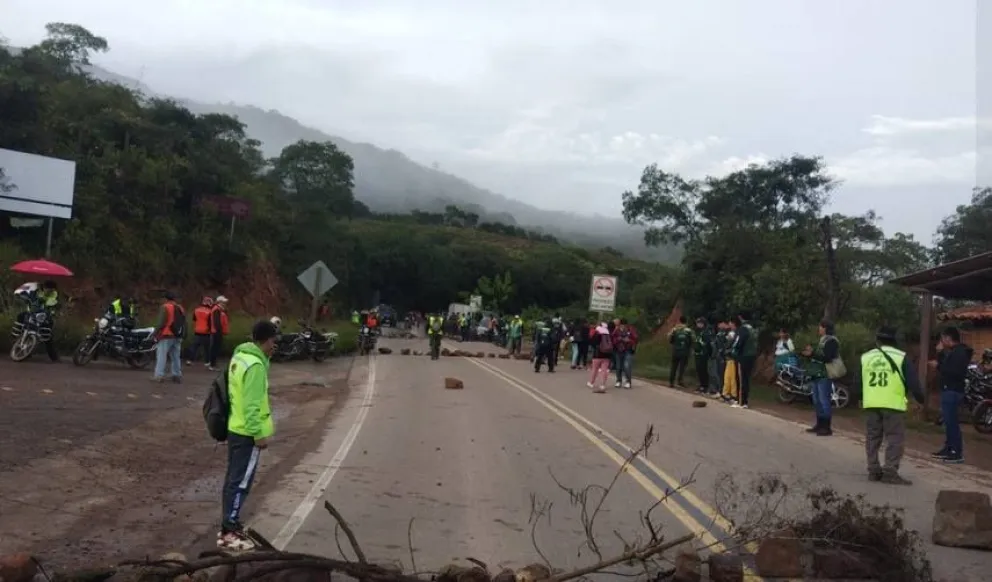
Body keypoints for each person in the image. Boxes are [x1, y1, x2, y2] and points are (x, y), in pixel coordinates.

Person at [218, 319, 278, 551]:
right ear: (266, 340)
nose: (275, 345)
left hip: (235, 427)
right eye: (273, 340)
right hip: (247, 433)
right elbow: (252, 404)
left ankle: (228, 525)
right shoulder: (255, 366)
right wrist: (258, 435)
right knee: (241, 483)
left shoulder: (240, 357)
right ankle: (229, 531)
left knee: (232, 480)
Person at [854, 325, 925, 485]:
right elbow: (913, 382)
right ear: (894, 341)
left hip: (871, 403)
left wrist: (859, 397)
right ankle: (890, 471)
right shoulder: (901, 357)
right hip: (892, 404)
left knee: (873, 437)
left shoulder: (866, 357)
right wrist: (920, 399)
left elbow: (858, 381)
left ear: (877, 340)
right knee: (894, 438)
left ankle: (873, 470)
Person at [933, 327, 972, 463]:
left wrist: (938, 366)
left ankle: (956, 451)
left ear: (948, 338)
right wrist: (940, 354)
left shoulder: (960, 353)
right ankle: (949, 447)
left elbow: (953, 372)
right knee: (948, 422)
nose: (941, 342)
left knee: (952, 422)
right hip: (948, 389)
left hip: (953, 390)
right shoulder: (953, 352)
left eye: (943, 339)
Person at [801, 319, 840, 433]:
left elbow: (828, 358)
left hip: (824, 374)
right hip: (816, 373)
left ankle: (826, 426)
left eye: (821, 327)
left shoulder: (832, 341)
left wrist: (813, 354)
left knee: (824, 400)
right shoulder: (822, 341)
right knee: (816, 400)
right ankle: (819, 424)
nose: (819, 329)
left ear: (826, 328)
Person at [152, 291, 186, 383]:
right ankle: (177, 375)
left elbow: (161, 322)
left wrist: (155, 333)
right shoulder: (180, 308)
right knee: (176, 356)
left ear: (165, 299)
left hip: (166, 335)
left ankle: (159, 376)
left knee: (161, 356)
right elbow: (183, 322)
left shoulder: (165, 307)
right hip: (178, 335)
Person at [732, 314, 759, 410]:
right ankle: (744, 401)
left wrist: (733, 352)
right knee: (746, 379)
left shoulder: (743, 329)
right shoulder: (753, 329)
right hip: (751, 356)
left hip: (743, 356)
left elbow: (738, 343)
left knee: (740, 378)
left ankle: (741, 401)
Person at [186, 296, 214, 366]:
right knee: (207, 349)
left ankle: (190, 360)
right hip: (206, 332)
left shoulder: (196, 310)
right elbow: (211, 323)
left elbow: (194, 320)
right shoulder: (210, 312)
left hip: (197, 331)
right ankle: (207, 362)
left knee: (194, 347)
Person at [587, 322, 613, 393]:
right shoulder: (608, 335)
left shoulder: (597, 334)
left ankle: (591, 383)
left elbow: (592, 342)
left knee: (595, 369)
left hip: (597, 355)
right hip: (607, 355)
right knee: (604, 370)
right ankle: (602, 385)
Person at [612, 319, 638, 389]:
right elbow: (613, 339)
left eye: (624, 325)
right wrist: (618, 339)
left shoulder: (630, 330)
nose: (622, 326)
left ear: (626, 325)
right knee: (618, 367)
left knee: (627, 366)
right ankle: (618, 381)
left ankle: (628, 382)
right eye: (621, 325)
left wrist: (629, 340)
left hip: (628, 350)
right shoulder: (616, 330)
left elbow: (635, 339)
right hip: (618, 350)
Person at [668, 316, 693, 388]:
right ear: (686, 322)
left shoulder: (674, 329)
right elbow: (692, 341)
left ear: (679, 321)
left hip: (675, 351)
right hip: (684, 351)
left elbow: (671, 340)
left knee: (673, 367)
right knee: (682, 368)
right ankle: (680, 381)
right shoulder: (689, 330)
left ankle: (671, 382)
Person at [208, 295, 231, 371]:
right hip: (216, 332)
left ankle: (213, 363)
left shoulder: (220, 310)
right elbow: (216, 322)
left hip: (217, 332)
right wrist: (220, 331)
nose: (225, 303)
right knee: (215, 348)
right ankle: (212, 365)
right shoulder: (216, 309)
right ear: (219, 302)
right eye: (223, 302)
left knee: (216, 348)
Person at [693, 317, 713, 394]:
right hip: (697, 353)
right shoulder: (698, 331)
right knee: (699, 370)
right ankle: (701, 385)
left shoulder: (706, 332)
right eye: (697, 323)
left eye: (699, 323)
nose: (697, 324)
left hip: (703, 354)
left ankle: (705, 386)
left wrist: (707, 353)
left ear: (703, 323)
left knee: (703, 370)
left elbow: (708, 344)